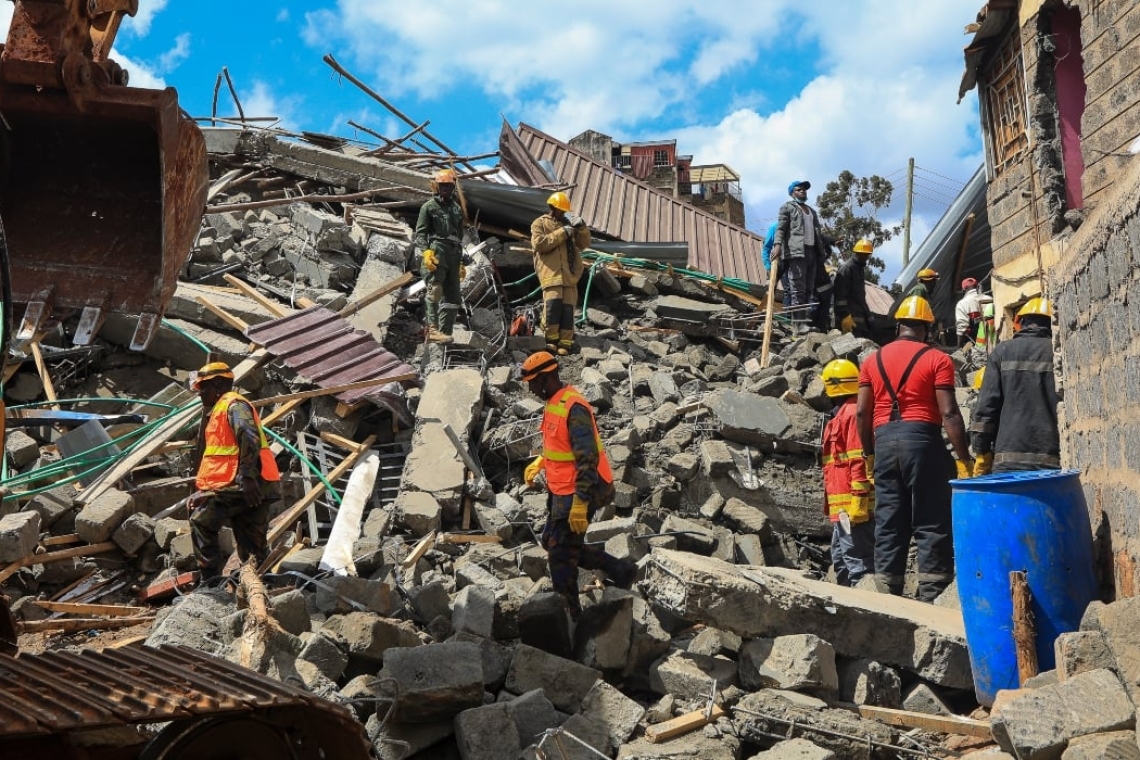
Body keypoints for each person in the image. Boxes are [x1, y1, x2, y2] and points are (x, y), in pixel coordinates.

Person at [856, 296, 973, 601]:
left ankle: (887, 593)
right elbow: (949, 413)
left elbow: (861, 413)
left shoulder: (872, 361)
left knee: (889, 520)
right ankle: (933, 595)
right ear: (927, 329)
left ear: (898, 325)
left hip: (883, 443)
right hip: (922, 442)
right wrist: (965, 459)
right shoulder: (938, 360)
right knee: (931, 520)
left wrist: (869, 453)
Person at [519, 351, 636, 618]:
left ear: (547, 377)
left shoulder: (574, 407)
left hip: (584, 488)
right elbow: (562, 447)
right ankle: (620, 570)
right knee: (553, 542)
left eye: (533, 383)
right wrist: (541, 462)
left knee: (560, 557)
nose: (531, 389)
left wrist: (581, 504)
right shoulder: (554, 401)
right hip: (563, 489)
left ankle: (569, 616)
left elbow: (587, 459)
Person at [189, 362, 281, 578]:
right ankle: (261, 581)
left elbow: (249, 437)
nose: (200, 394)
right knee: (251, 541)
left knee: (200, 520)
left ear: (219, 384)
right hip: (258, 483)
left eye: (204, 388)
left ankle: (210, 581)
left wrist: (247, 477)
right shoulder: (222, 409)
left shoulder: (233, 405)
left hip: (246, 482)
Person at [970, 297, 1060, 475]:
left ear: (1021, 322)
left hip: (1008, 461)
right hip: (1052, 459)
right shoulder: (1057, 352)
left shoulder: (1002, 352)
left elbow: (987, 406)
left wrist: (982, 452)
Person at [820, 359, 875, 587]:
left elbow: (857, 459)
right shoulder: (841, 415)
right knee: (841, 560)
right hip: (842, 508)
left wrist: (859, 499)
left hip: (853, 507)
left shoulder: (851, 415)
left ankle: (866, 611)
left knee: (858, 564)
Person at [772, 180, 839, 335]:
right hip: (797, 252)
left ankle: (804, 322)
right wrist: (777, 245)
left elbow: (818, 234)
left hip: (812, 253)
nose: (803, 191)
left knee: (809, 289)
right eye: (799, 189)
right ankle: (798, 324)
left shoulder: (812, 211)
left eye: (804, 189)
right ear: (792, 192)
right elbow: (781, 228)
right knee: (797, 288)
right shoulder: (787, 208)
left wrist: (827, 245)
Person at [531, 192, 590, 356]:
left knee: (568, 309)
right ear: (552, 208)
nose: (563, 213)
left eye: (564, 211)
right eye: (560, 210)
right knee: (552, 307)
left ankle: (565, 342)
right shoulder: (540, 223)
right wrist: (562, 232)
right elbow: (540, 244)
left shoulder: (569, 225)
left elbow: (583, 245)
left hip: (569, 276)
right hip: (551, 274)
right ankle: (550, 341)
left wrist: (582, 228)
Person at [415, 168, 465, 344]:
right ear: (436, 187)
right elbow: (420, 234)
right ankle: (432, 330)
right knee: (435, 290)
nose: (446, 189)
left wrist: (460, 261)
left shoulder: (457, 209)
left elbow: (460, 235)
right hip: (437, 250)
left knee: (453, 298)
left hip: (454, 252)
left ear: (453, 188)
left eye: (449, 186)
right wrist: (426, 252)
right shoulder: (428, 207)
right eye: (442, 186)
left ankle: (445, 334)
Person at [833, 239, 875, 339]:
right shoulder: (847, 268)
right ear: (856, 253)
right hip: (849, 319)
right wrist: (844, 315)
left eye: (867, 254)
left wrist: (869, 318)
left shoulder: (859, 269)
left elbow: (860, 297)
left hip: (859, 319)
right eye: (863, 254)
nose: (865, 257)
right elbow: (840, 295)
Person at [955, 278, 983, 348]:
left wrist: (959, 348)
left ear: (964, 291)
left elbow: (962, 329)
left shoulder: (963, 304)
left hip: (974, 343)